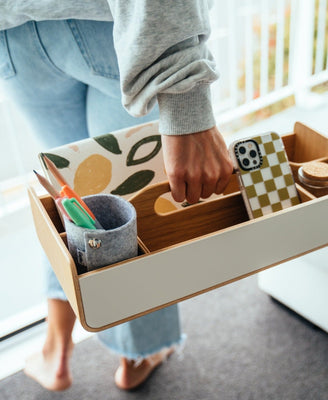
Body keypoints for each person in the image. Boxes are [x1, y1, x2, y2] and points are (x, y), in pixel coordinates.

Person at [0, 0, 233, 392]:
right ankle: (137, 355)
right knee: (125, 202)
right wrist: (185, 100)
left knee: (68, 201)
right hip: (106, 28)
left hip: (14, 38)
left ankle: (55, 349)